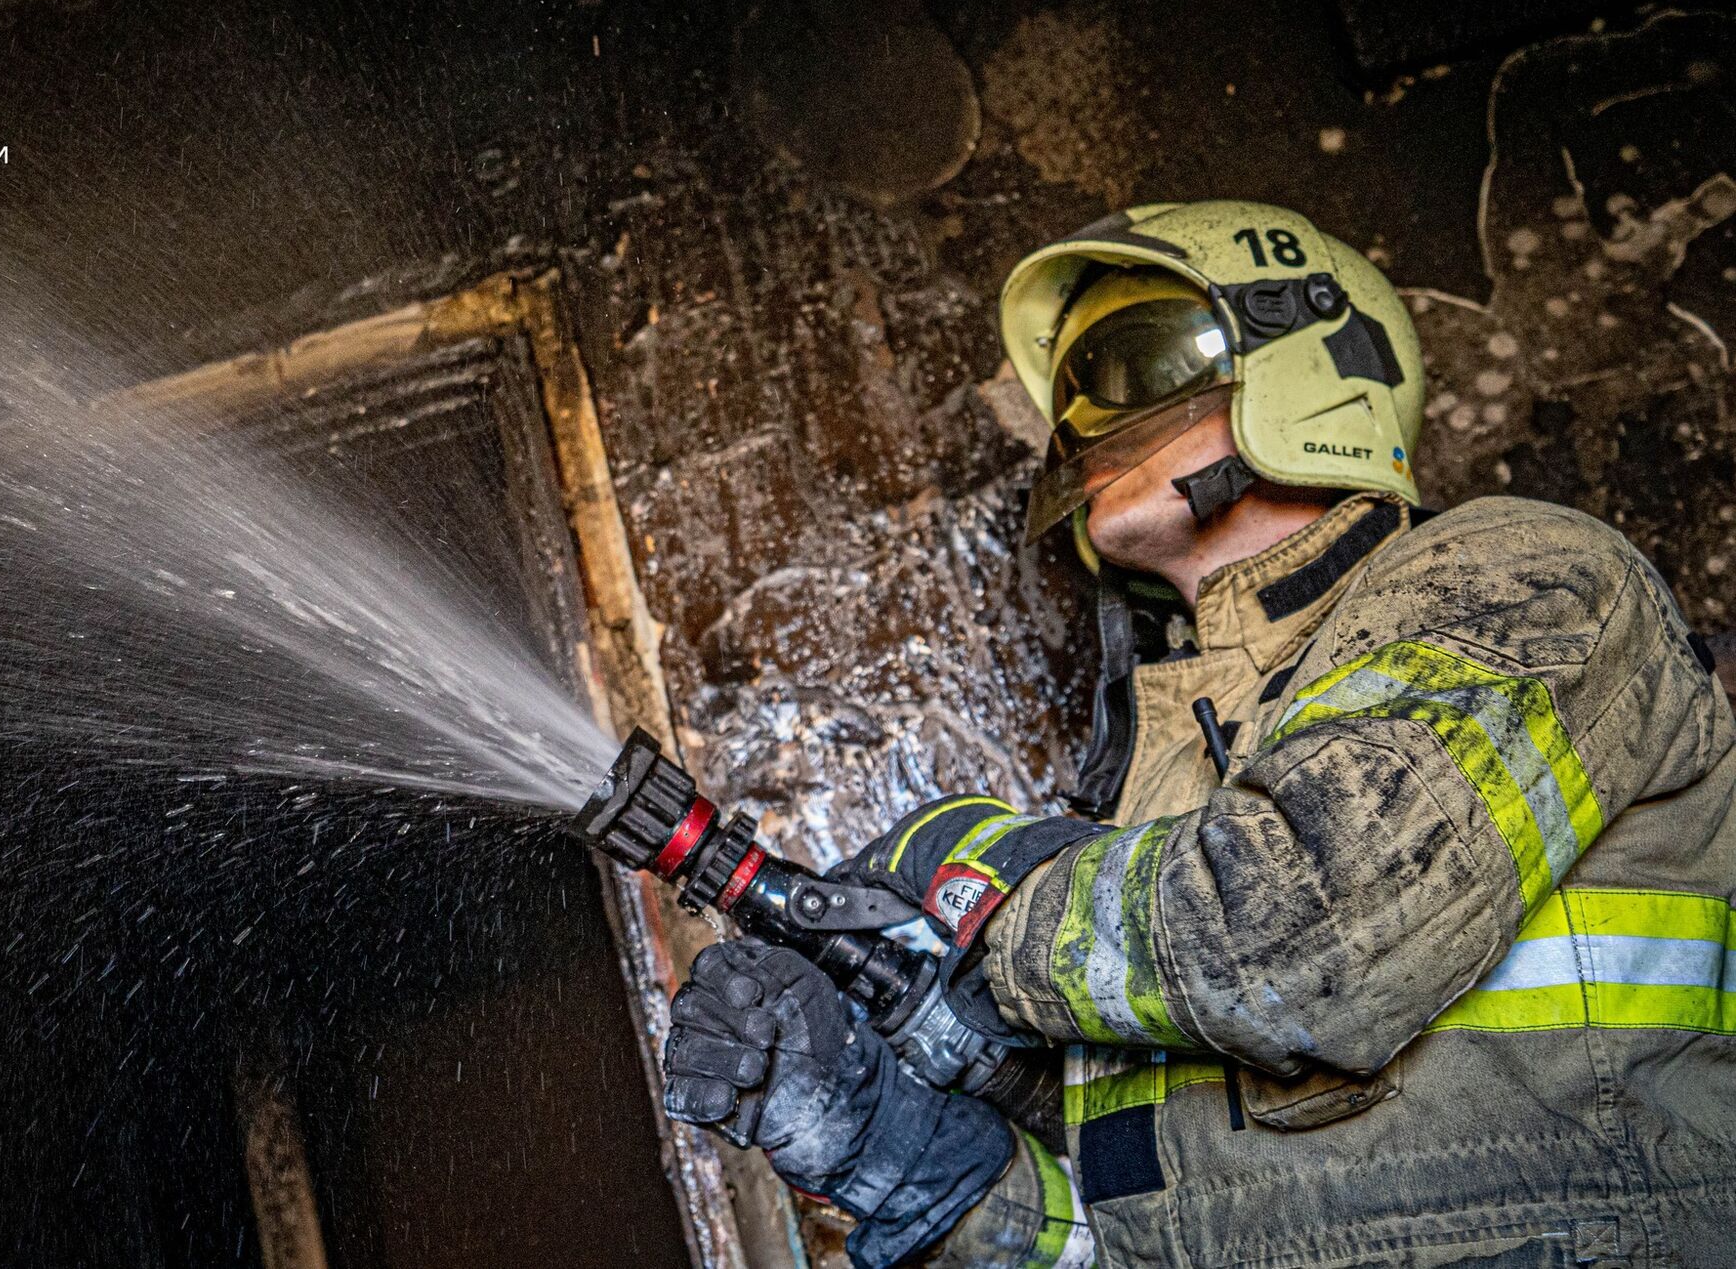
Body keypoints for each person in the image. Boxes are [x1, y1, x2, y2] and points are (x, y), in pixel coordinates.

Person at [658, 201, 1736, 1268]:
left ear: (1313, 371)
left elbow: (1302, 946)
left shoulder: (1526, 584)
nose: (1084, 427)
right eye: (1070, 401)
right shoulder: (1144, 803)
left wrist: (982, 881)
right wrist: (891, 1156)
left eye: (1128, 365)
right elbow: (1129, 1242)